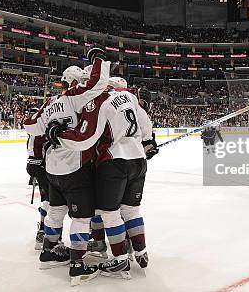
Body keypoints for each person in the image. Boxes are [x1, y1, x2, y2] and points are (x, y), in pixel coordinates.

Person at [46, 80, 153, 280]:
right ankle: (140, 250)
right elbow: (146, 126)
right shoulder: (130, 97)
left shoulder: (99, 100)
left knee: (110, 213)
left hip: (113, 161)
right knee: (131, 210)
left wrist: (60, 133)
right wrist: (148, 143)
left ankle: (120, 258)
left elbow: (88, 136)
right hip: (138, 159)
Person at [23, 47, 110, 286]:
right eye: (79, 81)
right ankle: (77, 265)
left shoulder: (50, 104)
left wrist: (50, 128)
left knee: (55, 212)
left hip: (53, 170)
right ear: (73, 83)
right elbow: (98, 82)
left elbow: (29, 125)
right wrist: (97, 57)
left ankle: (49, 252)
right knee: (81, 218)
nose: (82, 83)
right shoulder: (74, 96)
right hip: (75, 167)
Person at [25, 106, 51, 250]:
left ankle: (42, 230)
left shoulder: (32, 125)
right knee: (51, 201)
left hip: (34, 165)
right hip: (41, 166)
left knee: (47, 199)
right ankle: (43, 231)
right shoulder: (42, 126)